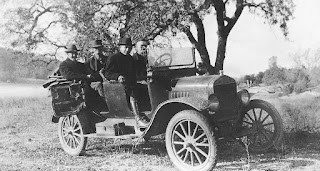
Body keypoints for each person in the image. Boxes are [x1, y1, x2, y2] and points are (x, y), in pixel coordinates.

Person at [104, 37, 149, 128]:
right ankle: (138, 118)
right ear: (120, 47)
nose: (127, 49)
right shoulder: (113, 58)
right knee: (133, 91)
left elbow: (136, 72)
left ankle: (147, 113)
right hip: (118, 86)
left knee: (146, 88)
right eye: (125, 47)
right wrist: (118, 76)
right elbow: (107, 73)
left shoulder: (130, 59)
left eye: (129, 47)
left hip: (131, 83)